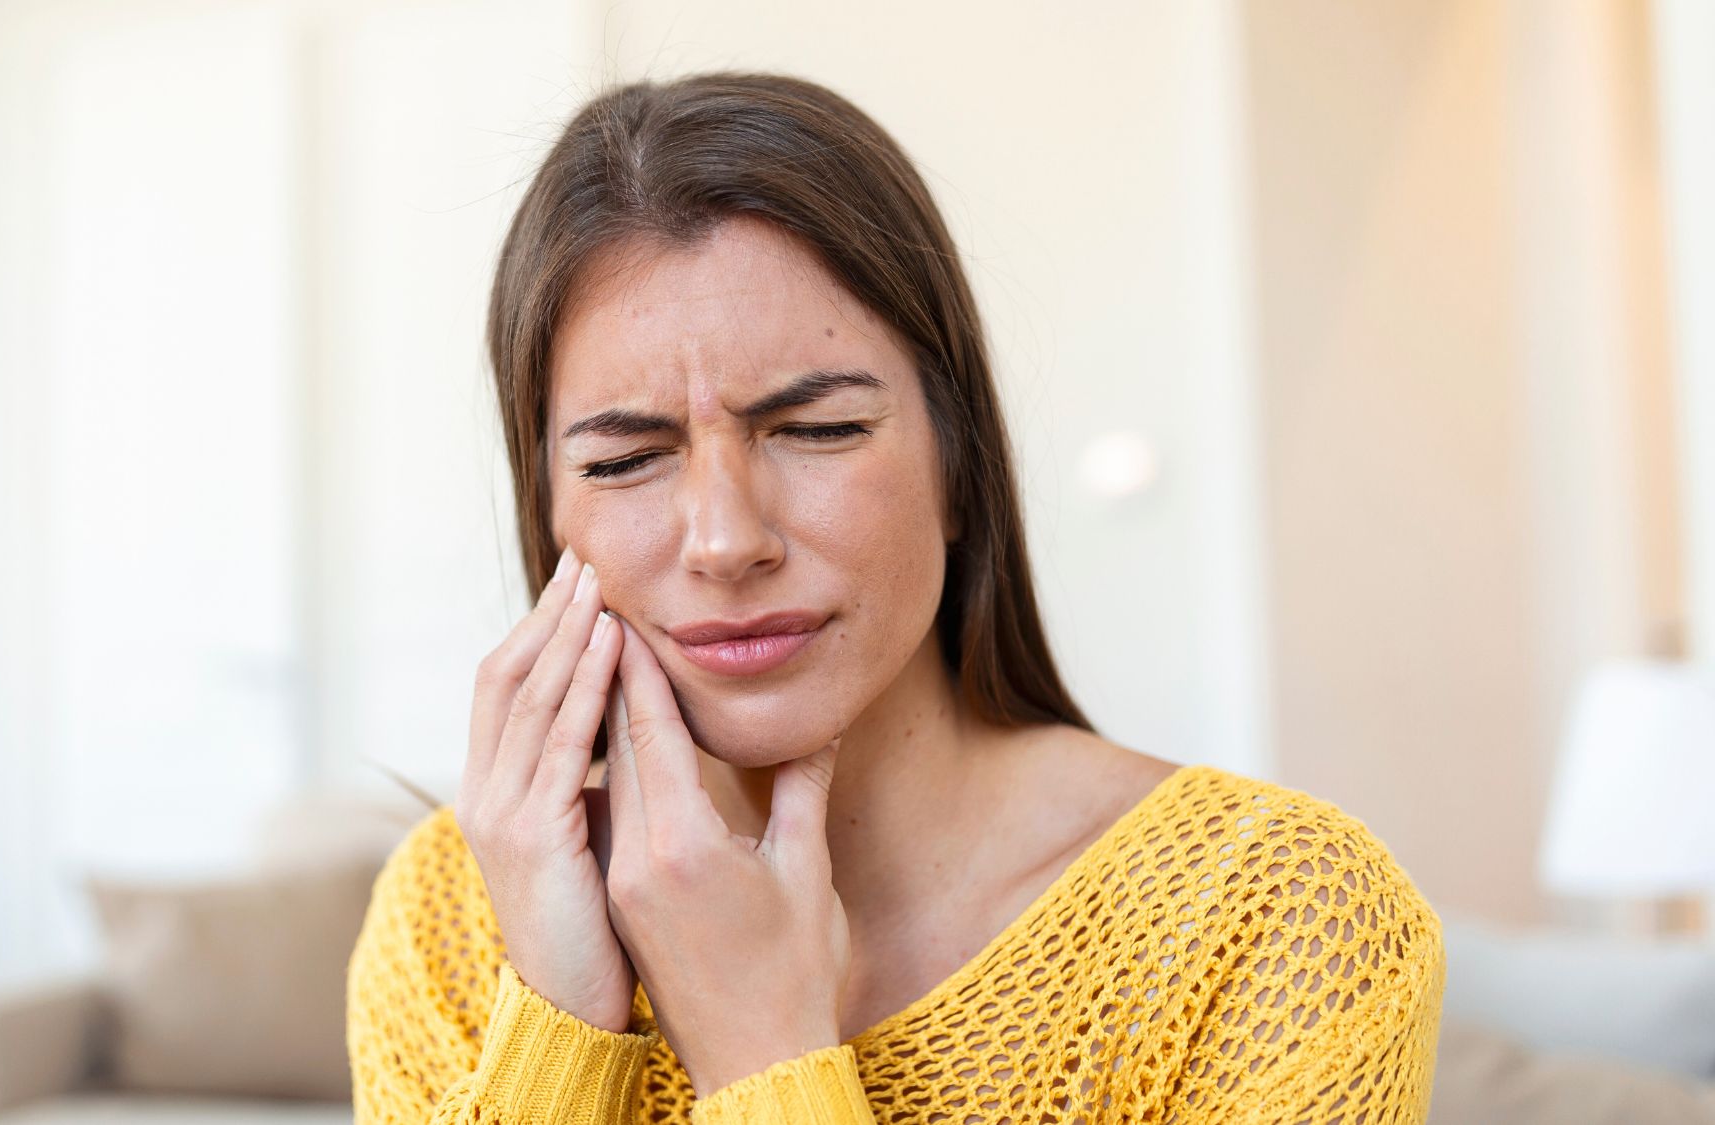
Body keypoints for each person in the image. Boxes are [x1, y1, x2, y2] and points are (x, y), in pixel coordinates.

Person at [346, 70, 1444, 1125]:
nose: (725, 541)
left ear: (958, 470)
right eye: (626, 458)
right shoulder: (452, 913)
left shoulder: (1278, 917)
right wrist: (555, 1030)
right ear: (550, 514)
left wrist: (763, 1055)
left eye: (816, 431)